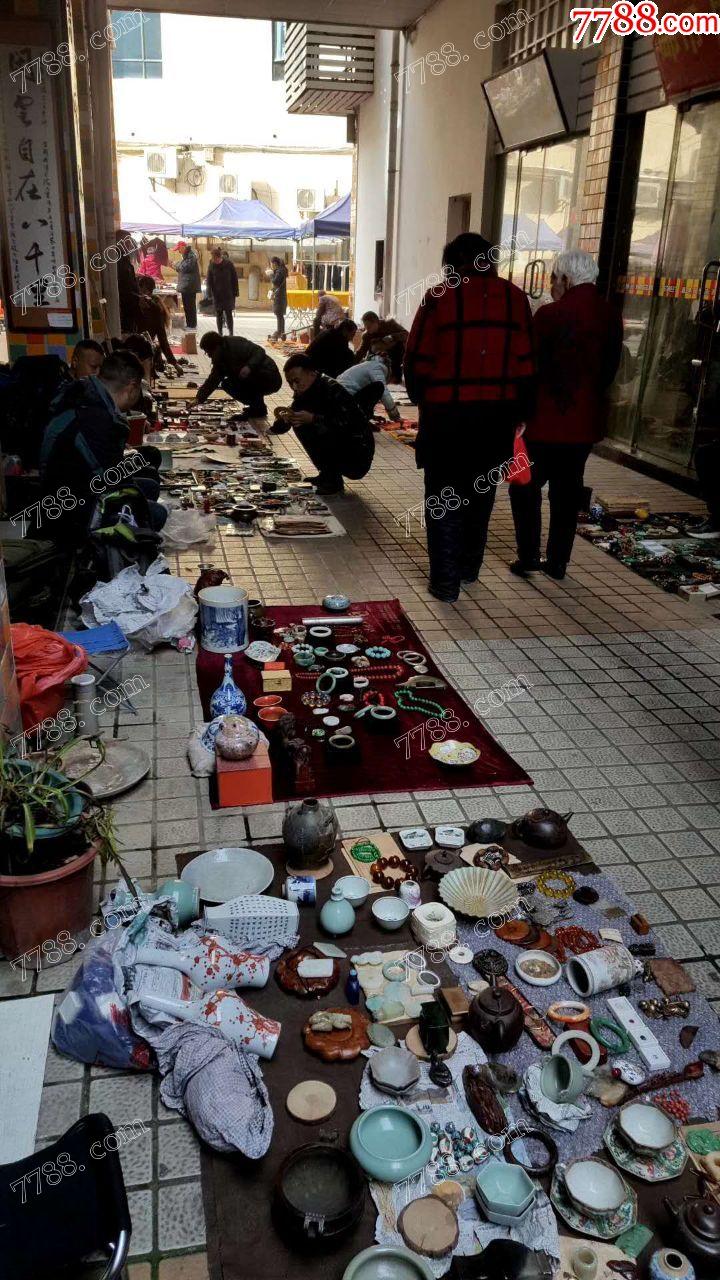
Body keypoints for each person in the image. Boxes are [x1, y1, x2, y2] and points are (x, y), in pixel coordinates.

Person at [404, 233, 535, 603]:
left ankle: (446, 582)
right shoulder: (515, 298)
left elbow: (415, 361)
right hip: (496, 420)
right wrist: (521, 412)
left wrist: (424, 399)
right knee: (481, 494)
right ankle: (469, 569)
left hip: (447, 419)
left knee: (444, 497)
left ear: (452, 264)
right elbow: (527, 362)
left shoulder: (439, 297)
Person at [509, 249, 623, 581]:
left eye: (554, 279)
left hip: (544, 422)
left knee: (525, 486)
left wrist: (519, 414)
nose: (552, 285)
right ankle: (558, 562)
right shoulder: (610, 315)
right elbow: (610, 369)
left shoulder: (548, 315)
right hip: (584, 423)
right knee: (567, 491)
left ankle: (529, 555)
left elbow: (529, 370)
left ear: (566, 279)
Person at [40, 350, 143, 543]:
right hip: (75, 512)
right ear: (132, 387)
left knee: (146, 473)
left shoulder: (81, 394)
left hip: (65, 495)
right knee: (154, 509)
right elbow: (114, 482)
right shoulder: (97, 419)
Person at [273, 354, 375, 496]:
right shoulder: (304, 391)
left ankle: (333, 481)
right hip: (342, 444)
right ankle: (327, 474)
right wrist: (284, 419)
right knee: (300, 422)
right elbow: (282, 426)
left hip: (357, 453)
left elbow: (348, 424)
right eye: (290, 383)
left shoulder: (332, 389)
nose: (294, 387)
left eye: (297, 381)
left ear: (312, 373)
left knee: (313, 425)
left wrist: (314, 419)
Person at [195, 331, 282, 418]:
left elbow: (260, 351)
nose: (209, 356)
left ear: (217, 347)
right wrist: (199, 399)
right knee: (227, 384)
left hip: (270, 377)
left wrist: (249, 367)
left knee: (247, 377)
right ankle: (257, 407)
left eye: (209, 352)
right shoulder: (220, 359)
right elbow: (213, 380)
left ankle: (258, 409)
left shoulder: (235, 343)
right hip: (257, 378)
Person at [337, 351, 401, 422]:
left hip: (341, 396)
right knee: (379, 387)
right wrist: (395, 417)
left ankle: (366, 417)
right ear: (391, 372)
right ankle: (362, 421)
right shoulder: (378, 368)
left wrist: (371, 416)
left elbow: (366, 396)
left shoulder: (370, 364)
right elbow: (385, 394)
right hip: (345, 399)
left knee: (375, 389)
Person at [137, 275, 182, 372]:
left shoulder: (156, 309)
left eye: (145, 292)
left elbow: (162, 339)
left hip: (145, 350)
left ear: (150, 292)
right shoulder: (135, 305)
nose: (142, 295)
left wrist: (174, 363)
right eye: (141, 291)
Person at [356, 311, 408, 383]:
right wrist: (352, 362)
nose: (367, 329)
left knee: (398, 347)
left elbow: (406, 334)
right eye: (365, 326)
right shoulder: (367, 335)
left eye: (369, 326)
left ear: (376, 322)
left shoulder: (390, 324)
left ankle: (395, 376)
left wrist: (392, 337)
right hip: (377, 358)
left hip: (394, 355)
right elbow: (361, 352)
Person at [206, 248, 239, 336]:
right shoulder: (211, 265)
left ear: (219, 257)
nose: (214, 260)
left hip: (228, 294)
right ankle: (220, 333)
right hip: (217, 295)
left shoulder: (229, 264)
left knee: (229, 314)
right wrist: (209, 293)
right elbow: (209, 280)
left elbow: (234, 279)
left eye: (215, 259)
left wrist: (236, 292)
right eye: (213, 259)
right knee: (218, 314)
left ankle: (231, 333)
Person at [116, 229, 141, 335]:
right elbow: (123, 287)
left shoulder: (125, 259)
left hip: (131, 305)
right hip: (125, 307)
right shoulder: (117, 260)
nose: (130, 245)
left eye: (130, 242)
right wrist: (137, 296)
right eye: (127, 242)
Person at [174, 241, 201, 329]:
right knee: (187, 306)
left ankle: (192, 325)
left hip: (189, 285)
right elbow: (182, 267)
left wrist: (175, 264)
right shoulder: (186, 256)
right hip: (186, 285)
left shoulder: (191, 256)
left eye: (179, 249)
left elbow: (185, 267)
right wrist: (178, 265)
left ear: (183, 247)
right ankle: (189, 324)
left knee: (190, 306)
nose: (178, 251)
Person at [269, 256, 288, 340]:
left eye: (271, 264)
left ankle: (280, 332)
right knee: (280, 315)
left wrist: (271, 274)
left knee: (279, 314)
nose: (271, 266)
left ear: (274, 263)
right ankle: (281, 333)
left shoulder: (279, 271)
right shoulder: (281, 270)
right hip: (281, 295)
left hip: (279, 296)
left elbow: (275, 281)